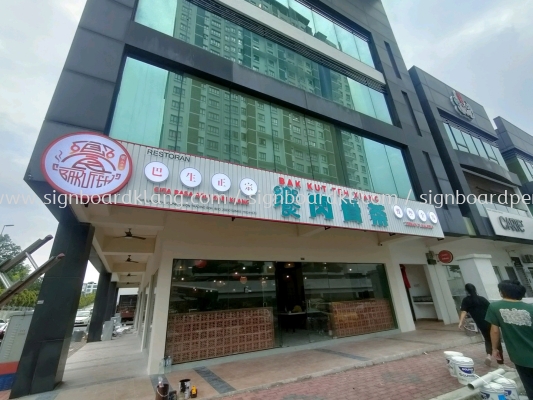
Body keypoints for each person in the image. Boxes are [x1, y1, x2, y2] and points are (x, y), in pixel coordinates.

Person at [486, 280, 533, 399]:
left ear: (503, 292)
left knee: (530, 386)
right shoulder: (530, 308)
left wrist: (494, 349)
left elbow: (495, 331)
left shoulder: (495, 307)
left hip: (520, 356)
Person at [458, 283, 504, 366]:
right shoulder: (482, 299)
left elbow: (463, 311)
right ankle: (500, 363)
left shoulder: (466, 300)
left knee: (487, 339)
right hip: (490, 322)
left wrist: (461, 322)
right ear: (475, 289)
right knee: (496, 340)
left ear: (466, 291)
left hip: (480, 323)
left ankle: (489, 356)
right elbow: (491, 308)